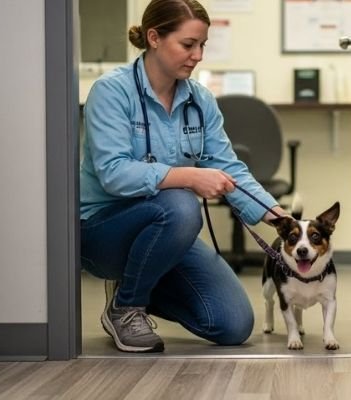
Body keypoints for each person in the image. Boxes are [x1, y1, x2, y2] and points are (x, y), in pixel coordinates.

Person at [79, 0, 285, 353]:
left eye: (202, 45)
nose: (198, 55)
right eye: (188, 44)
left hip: (166, 231)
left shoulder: (200, 100)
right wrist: (189, 176)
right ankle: (126, 308)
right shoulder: (112, 92)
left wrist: (279, 217)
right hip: (102, 230)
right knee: (180, 203)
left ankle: (138, 283)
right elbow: (114, 174)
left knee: (234, 325)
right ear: (154, 38)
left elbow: (228, 166)